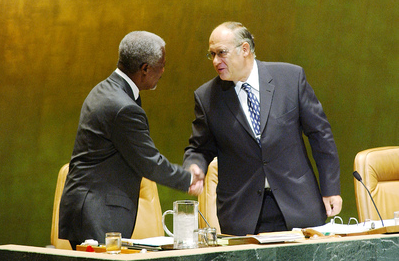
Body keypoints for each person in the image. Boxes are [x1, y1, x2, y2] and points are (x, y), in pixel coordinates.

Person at [183, 21, 342, 236]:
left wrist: (331, 188)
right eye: (211, 54)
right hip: (243, 214)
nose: (215, 61)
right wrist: (194, 167)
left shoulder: (290, 78)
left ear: (245, 49)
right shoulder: (207, 97)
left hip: (298, 204)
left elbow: (320, 134)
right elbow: (199, 148)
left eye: (221, 53)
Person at [59, 31, 203, 249]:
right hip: (96, 215)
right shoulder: (123, 106)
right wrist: (187, 179)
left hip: (85, 209)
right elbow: (148, 162)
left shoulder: (104, 90)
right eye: (161, 65)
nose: (163, 71)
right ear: (145, 68)